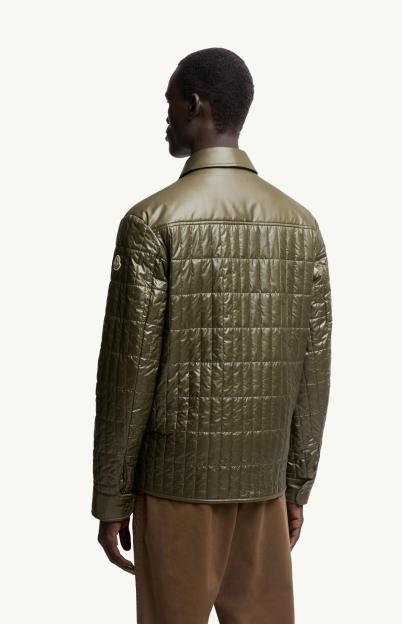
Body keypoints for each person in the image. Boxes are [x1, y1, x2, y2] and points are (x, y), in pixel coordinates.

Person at [91, 47, 332, 624]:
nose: (166, 116)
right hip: (265, 487)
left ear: (195, 104)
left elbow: (127, 374)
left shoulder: (151, 222)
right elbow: (313, 368)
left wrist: (111, 495)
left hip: (175, 487)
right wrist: (296, 485)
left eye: (170, 103)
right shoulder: (301, 226)